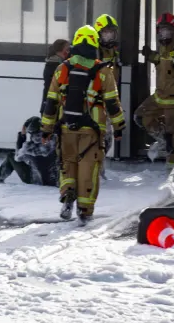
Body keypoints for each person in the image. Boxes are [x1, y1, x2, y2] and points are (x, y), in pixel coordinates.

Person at [40, 25, 125, 224]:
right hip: (93, 130)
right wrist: (119, 127)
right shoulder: (103, 71)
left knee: (67, 163)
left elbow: (51, 101)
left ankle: (68, 195)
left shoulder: (62, 68)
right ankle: (85, 211)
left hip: (66, 127)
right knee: (88, 168)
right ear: (95, 43)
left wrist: (46, 129)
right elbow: (112, 102)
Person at [133, 13, 174, 165]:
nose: (164, 34)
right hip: (159, 97)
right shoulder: (164, 48)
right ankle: (163, 138)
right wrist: (150, 56)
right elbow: (161, 62)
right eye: (161, 31)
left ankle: (173, 169)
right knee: (140, 116)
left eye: (167, 30)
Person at [0, 117, 58, 186]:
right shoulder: (54, 140)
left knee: (11, 156)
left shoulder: (29, 147)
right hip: (55, 181)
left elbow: (17, 157)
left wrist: (22, 136)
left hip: (36, 181)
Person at [93, 14, 121, 174]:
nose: (110, 36)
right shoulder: (94, 51)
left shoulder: (113, 51)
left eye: (112, 32)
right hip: (96, 100)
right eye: (106, 33)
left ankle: (100, 167)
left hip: (109, 98)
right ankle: (96, 167)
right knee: (97, 135)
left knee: (107, 137)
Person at [42, 39, 70, 112]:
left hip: (49, 105)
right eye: (67, 49)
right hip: (52, 107)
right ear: (59, 50)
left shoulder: (52, 63)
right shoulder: (55, 65)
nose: (68, 52)